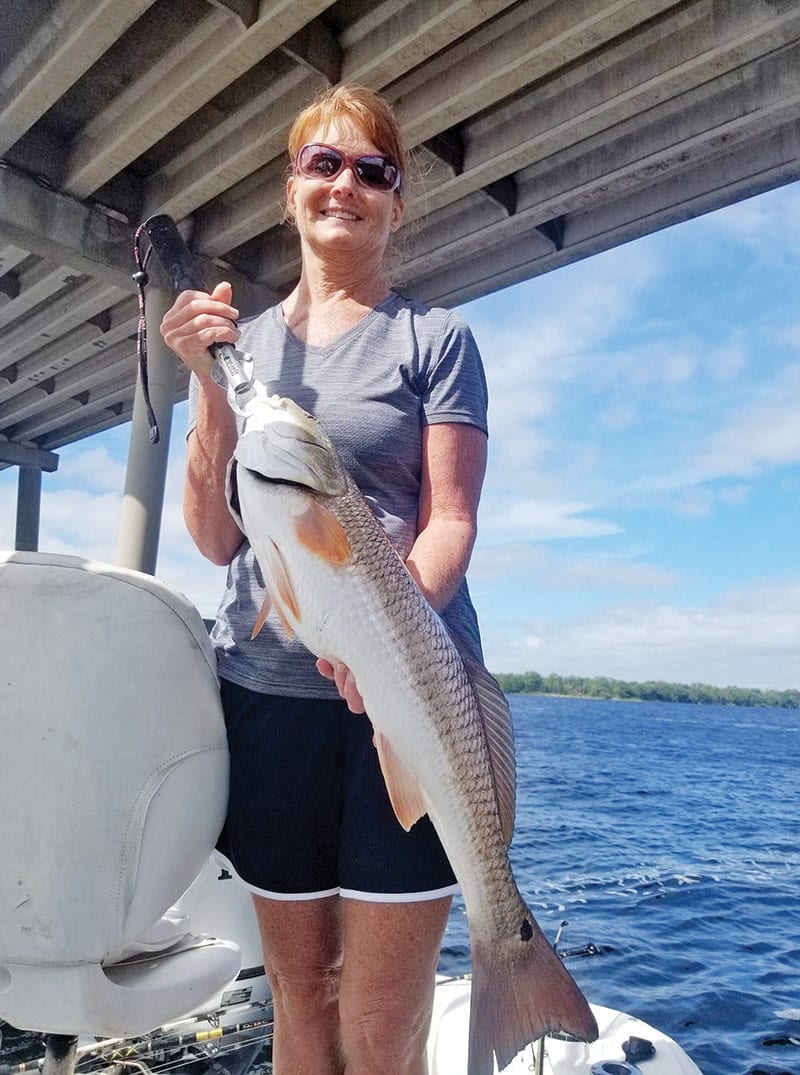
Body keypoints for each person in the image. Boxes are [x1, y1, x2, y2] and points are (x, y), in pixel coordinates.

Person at [160, 84, 489, 1075]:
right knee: (301, 1003)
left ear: (396, 202)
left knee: (381, 1029)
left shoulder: (436, 340)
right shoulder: (235, 347)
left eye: (371, 170)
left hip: (413, 698)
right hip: (268, 702)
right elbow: (218, 542)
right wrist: (206, 390)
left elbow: (451, 521)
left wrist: (379, 639)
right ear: (289, 188)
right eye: (322, 163)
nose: (344, 183)